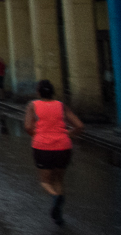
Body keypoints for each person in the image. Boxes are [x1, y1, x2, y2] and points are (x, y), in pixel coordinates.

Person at [24, 79, 84, 225]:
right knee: (59, 180)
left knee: (45, 182)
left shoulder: (33, 105)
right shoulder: (61, 106)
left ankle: (56, 197)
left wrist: (38, 135)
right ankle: (59, 215)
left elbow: (27, 127)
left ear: (38, 92)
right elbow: (80, 126)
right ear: (52, 92)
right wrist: (67, 135)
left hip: (42, 147)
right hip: (63, 147)